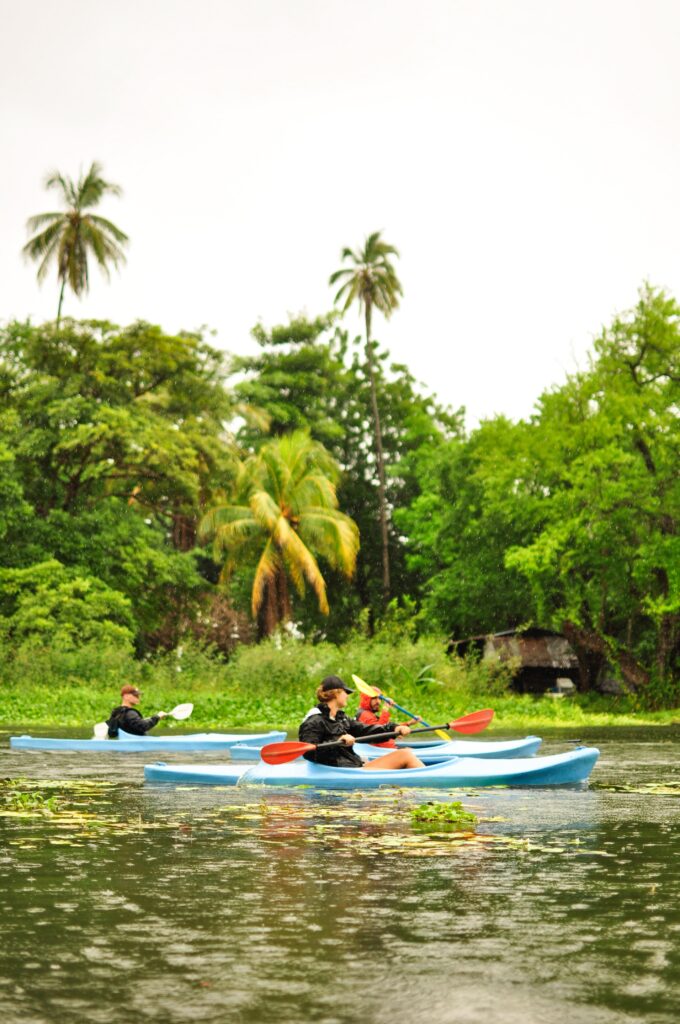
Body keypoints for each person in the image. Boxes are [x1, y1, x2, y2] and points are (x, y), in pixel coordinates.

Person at [298, 675, 426, 770]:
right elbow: (309, 753)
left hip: (353, 766)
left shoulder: (341, 718)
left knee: (404, 754)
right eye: (345, 692)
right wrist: (338, 741)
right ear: (336, 693)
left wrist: (394, 728)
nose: (347, 696)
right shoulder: (313, 721)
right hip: (343, 771)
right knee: (405, 755)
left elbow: (367, 730)